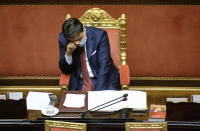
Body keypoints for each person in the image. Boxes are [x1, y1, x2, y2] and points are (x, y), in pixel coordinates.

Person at [58, 18, 120, 91]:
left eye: (79, 39)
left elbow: (104, 66)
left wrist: (97, 94)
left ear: (84, 29)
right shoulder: (63, 39)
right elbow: (64, 70)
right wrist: (68, 54)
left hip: (103, 79)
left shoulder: (99, 35)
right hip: (80, 82)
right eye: (74, 41)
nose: (77, 43)